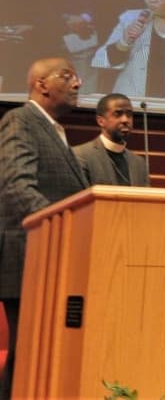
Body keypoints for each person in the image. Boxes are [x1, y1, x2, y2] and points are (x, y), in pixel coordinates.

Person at [0, 58, 89, 400]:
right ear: (41, 84)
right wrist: (64, 233)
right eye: (67, 76)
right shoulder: (20, 120)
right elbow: (17, 188)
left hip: (53, 259)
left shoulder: (53, 129)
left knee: (40, 357)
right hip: (34, 257)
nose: (77, 83)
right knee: (29, 358)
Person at [73, 93, 150, 186]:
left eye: (129, 115)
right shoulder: (80, 156)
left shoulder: (139, 164)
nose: (125, 120)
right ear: (101, 121)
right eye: (118, 114)